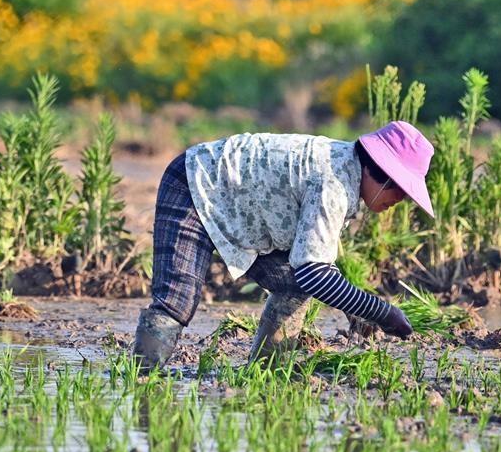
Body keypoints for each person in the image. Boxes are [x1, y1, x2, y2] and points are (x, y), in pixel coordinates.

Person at [133, 120, 433, 370]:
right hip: (194, 182)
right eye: (400, 190)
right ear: (377, 172)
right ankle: (141, 381)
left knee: (293, 285)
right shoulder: (334, 183)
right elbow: (314, 273)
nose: (400, 202)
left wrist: (358, 310)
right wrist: (381, 312)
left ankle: (264, 373)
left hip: (241, 211)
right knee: (176, 301)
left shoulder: (346, 174)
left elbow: (309, 266)